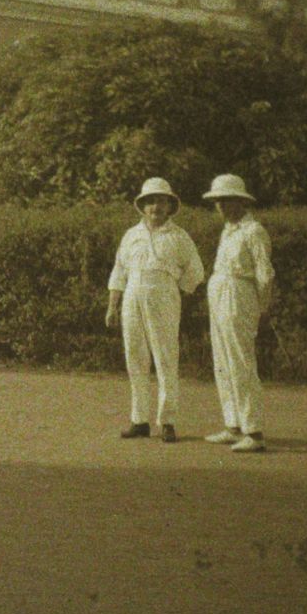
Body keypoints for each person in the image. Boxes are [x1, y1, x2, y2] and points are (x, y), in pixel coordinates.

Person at [106, 177, 205, 441]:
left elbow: (195, 271)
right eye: (150, 202)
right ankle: (139, 420)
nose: (156, 207)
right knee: (135, 356)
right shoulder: (131, 235)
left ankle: (167, 421)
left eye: (161, 201)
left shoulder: (179, 236)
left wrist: (172, 289)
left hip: (163, 296)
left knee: (165, 357)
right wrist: (112, 306)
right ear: (142, 206)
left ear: (170, 206)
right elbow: (119, 270)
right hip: (132, 296)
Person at [202, 173, 274, 453]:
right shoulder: (228, 230)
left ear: (241, 201)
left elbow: (265, 273)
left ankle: (254, 432)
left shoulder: (254, 231)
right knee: (222, 361)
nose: (220, 206)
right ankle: (234, 426)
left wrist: (264, 306)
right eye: (217, 201)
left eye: (226, 200)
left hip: (239, 295)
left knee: (241, 362)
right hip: (219, 292)